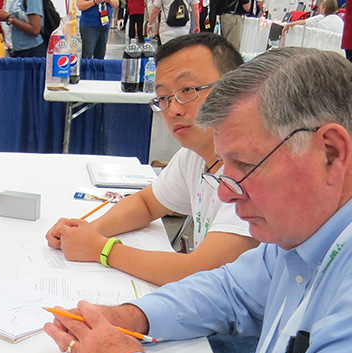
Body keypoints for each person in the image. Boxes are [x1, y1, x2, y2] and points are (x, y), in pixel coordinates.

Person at [45, 46, 352, 353]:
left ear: (330, 152)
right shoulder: (302, 236)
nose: (225, 192)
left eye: (245, 165)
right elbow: (231, 290)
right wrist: (132, 317)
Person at [46, 33, 257, 287]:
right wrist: (87, 231)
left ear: (235, 89)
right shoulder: (193, 155)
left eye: (188, 90)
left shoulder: (254, 170)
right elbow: (146, 204)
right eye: (164, 98)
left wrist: (103, 249)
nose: (174, 109)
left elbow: (199, 272)